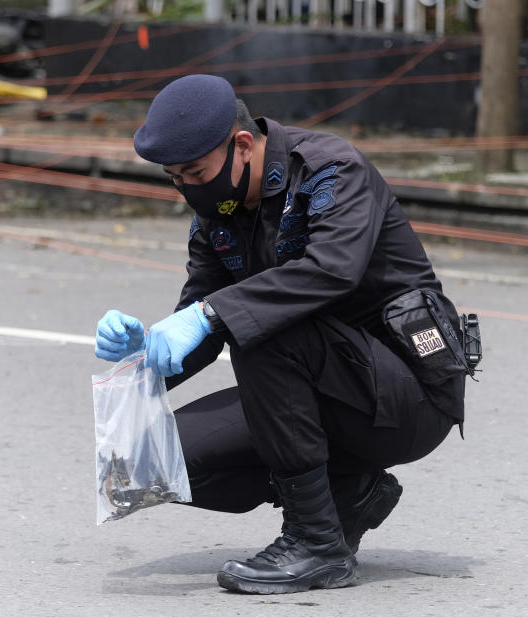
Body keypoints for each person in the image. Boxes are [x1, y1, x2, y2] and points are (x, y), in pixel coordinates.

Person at [93, 74, 473, 595]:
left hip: (407, 395)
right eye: (173, 177)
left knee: (262, 325)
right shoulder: (218, 212)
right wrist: (149, 353)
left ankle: (317, 544)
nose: (185, 187)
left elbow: (329, 272)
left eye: (194, 172)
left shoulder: (331, 170)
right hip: (315, 391)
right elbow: (201, 314)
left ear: (242, 145)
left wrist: (209, 315)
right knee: (148, 460)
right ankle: (348, 491)